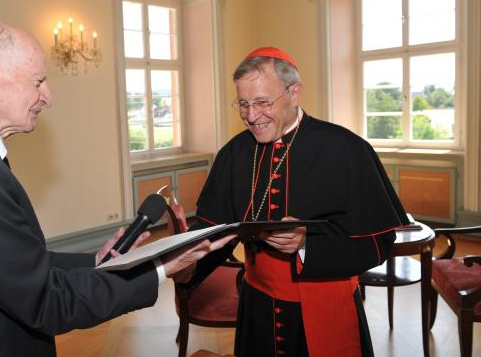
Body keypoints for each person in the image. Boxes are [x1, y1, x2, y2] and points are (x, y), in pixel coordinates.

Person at [0, 19, 234, 357]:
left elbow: (7, 264)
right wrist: (159, 268)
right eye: (38, 81)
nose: (48, 97)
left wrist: (96, 263)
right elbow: (46, 302)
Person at [172, 47, 408, 357]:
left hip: (327, 305)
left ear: (294, 93)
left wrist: (308, 245)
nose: (251, 116)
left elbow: (379, 242)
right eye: (243, 104)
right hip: (258, 306)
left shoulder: (346, 149)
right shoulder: (234, 153)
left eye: (262, 102)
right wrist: (188, 264)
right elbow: (215, 228)